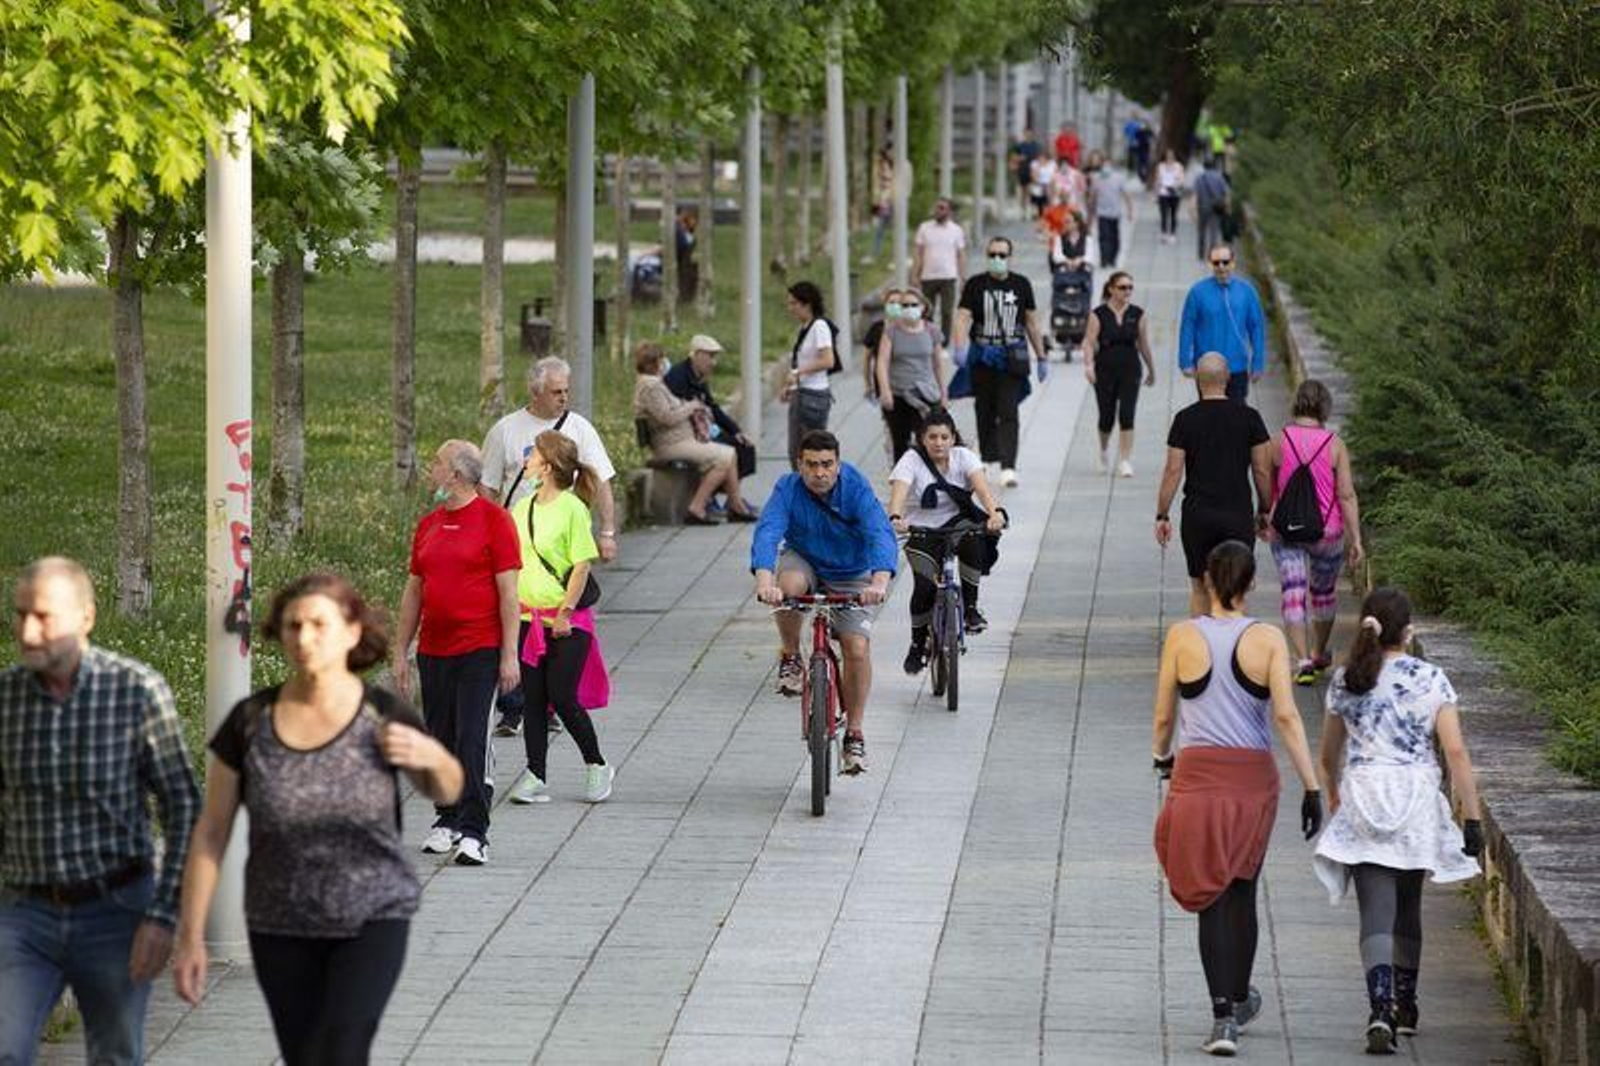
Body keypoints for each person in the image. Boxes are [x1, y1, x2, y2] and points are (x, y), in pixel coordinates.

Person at [173, 573, 463, 1066]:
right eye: (293, 626)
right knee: (304, 1056)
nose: (304, 638)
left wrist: (432, 757)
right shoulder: (251, 722)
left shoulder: (382, 714)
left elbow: (448, 790)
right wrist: (190, 935)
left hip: (371, 915)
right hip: (279, 921)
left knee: (343, 1050)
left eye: (319, 625)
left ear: (352, 633)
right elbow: (211, 833)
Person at [0, 557, 200, 1066]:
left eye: (43, 616)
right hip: (25, 913)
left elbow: (184, 807)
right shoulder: (7, 700)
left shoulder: (136, 691)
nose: (27, 630)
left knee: (114, 1055)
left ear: (85, 618)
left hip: (116, 910)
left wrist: (163, 916)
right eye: (19, 615)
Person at [1151, 541, 1323, 1057]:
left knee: (1209, 895)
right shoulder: (1268, 640)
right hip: (1253, 780)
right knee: (1242, 889)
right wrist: (1312, 786)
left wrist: (1163, 757)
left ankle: (1222, 1014)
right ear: (1251, 585)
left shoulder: (1182, 637)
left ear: (1206, 580)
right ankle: (1241, 998)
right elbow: (1287, 718)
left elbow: (1164, 718)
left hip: (1198, 777)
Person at [1312, 587, 1483, 1054]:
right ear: (1408, 632)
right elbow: (1455, 752)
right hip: (1415, 800)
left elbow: (1328, 755)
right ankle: (1405, 1006)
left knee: (1376, 913)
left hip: (1365, 798)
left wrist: (1332, 795)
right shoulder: (1431, 680)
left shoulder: (1347, 680)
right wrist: (1471, 818)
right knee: (1409, 907)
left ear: (1367, 625)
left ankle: (1379, 1007)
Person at [394, 440, 521, 866]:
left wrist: (509, 655)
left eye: (437, 463)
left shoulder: (494, 521)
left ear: (457, 475)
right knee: (440, 738)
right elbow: (415, 589)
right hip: (435, 649)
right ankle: (445, 818)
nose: (432, 470)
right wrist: (401, 649)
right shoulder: (428, 524)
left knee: (472, 740)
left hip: (480, 649)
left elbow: (508, 593)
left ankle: (474, 830)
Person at [482, 356, 619, 738]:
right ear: (536, 391)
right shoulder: (505, 431)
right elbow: (490, 488)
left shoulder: (578, 428)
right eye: (556, 392)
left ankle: (550, 701)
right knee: (513, 619)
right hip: (515, 542)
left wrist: (607, 532)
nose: (563, 398)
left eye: (566, 391)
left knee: (555, 620)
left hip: (558, 546)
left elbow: (601, 480)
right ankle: (513, 707)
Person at [752, 430, 897, 774]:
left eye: (827, 464)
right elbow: (768, 530)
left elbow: (880, 533)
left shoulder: (856, 489)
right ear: (799, 464)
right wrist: (764, 582)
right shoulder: (787, 489)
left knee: (857, 648)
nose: (820, 473)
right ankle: (791, 657)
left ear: (838, 463)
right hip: (805, 561)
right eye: (812, 465)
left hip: (852, 573)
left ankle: (855, 734)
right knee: (789, 587)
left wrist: (878, 581)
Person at [505, 431, 615, 806]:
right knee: (532, 700)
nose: (526, 459)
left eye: (531, 453)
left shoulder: (572, 509)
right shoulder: (522, 509)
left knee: (563, 697)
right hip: (528, 619)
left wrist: (566, 611)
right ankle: (535, 774)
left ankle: (597, 764)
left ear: (547, 466)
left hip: (568, 621)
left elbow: (582, 565)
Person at [887, 408, 1007, 673]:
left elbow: (983, 490)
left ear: (953, 438)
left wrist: (994, 513)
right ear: (922, 438)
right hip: (921, 528)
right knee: (924, 586)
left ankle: (971, 609)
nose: (938, 443)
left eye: (944, 437)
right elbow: (898, 494)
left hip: (956, 523)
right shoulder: (911, 460)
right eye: (932, 437)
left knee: (973, 537)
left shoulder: (964, 457)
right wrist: (896, 516)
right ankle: (917, 645)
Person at [1156, 353, 1273, 618]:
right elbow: (1262, 470)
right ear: (1228, 379)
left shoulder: (1184, 419)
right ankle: (1235, 651)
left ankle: (1201, 651)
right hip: (1237, 514)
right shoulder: (1250, 418)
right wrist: (1266, 508)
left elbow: (1173, 471)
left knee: (1199, 587)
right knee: (1237, 588)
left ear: (1197, 379)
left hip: (1198, 516)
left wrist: (1162, 514)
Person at [1266, 379, 1364, 684]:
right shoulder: (1335, 444)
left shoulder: (1278, 441)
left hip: (1286, 531)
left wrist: (1263, 516)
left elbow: (1269, 486)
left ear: (1296, 404)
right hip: (1327, 533)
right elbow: (1346, 495)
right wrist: (1356, 538)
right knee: (1323, 595)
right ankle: (1319, 651)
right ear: (1324, 408)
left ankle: (1303, 660)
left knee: (1293, 593)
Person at [952, 235, 1049, 488]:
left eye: (1002, 255)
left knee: (1008, 410)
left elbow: (1031, 321)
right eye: (992, 255)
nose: (997, 259)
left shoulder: (1021, 284)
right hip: (983, 355)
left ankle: (1008, 465)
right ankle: (986, 456)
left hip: (1010, 358)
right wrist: (960, 346)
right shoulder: (975, 284)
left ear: (1010, 257)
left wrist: (1041, 355)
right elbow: (963, 317)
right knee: (984, 408)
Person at [633, 341, 757, 526]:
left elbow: (673, 405)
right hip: (670, 445)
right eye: (661, 359)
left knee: (730, 454)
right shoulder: (650, 386)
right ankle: (697, 508)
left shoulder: (654, 383)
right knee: (724, 457)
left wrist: (692, 406)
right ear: (654, 362)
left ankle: (735, 505)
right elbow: (666, 417)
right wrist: (691, 406)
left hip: (681, 440)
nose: (665, 362)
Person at [664, 333, 759, 499]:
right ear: (697, 354)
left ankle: (732, 499)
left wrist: (736, 431)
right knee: (728, 450)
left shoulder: (699, 377)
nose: (713, 363)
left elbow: (713, 408)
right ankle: (719, 499)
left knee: (745, 447)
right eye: (711, 356)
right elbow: (675, 414)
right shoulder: (677, 377)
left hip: (703, 430)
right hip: (686, 435)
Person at [1080, 271, 1157, 477]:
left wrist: (1151, 368)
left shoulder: (1137, 314)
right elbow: (1088, 342)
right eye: (1123, 287)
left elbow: (1143, 343)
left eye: (1130, 287)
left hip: (1130, 368)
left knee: (1127, 414)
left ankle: (1124, 460)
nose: (1127, 291)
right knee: (1106, 416)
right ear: (1111, 289)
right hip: (1104, 368)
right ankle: (1104, 450)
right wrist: (1088, 366)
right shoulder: (1098, 314)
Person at [1178, 244, 1268, 402]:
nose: (1221, 266)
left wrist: (1258, 362)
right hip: (1208, 368)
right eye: (1216, 262)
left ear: (1233, 262)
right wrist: (1185, 360)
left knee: (1237, 414)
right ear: (1210, 264)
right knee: (1209, 416)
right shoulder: (1198, 292)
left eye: (1225, 262)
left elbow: (1256, 327)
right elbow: (1188, 326)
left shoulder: (1247, 291)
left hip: (1237, 366)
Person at [874, 287, 947, 460]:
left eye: (913, 304)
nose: (909, 308)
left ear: (923, 307)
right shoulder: (891, 332)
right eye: (904, 305)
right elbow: (882, 363)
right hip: (899, 394)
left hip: (926, 394)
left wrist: (944, 392)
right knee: (900, 442)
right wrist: (885, 391)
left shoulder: (932, 331)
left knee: (928, 439)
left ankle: (929, 478)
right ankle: (902, 481)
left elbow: (938, 364)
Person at [782, 281, 839, 469]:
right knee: (797, 452)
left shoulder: (819, 327)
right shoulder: (805, 328)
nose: (790, 309)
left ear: (807, 304)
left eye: (793, 303)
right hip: (802, 392)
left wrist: (799, 373)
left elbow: (827, 360)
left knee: (810, 453)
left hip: (813, 397)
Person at [911, 197, 968, 341]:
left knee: (947, 311)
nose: (938, 211)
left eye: (942, 208)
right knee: (927, 310)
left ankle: (944, 340)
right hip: (928, 276)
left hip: (948, 277)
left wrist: (963, 277)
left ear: (949, 211)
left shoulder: (956, 230)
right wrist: (914, 275)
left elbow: (961, 255)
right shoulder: (924, 228)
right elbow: (918, 253)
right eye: (936, 207)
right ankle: (927, 338)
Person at [1087, 154, 1135, 270]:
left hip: (1115, 213)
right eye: (1104, 165)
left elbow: (1126, 195)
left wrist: (1130, 211)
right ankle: (1104, 259)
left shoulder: (1118, 178)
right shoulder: (1097, 178)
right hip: (1102, 212)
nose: (1106, 167)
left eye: (1108, 164)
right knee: (1103, 237)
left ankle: (1112, 259)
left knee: (1114, 238)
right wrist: (1091, 213)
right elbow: (1093, 197)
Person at [1193, 157, 1232, 263]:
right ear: (1214, 166)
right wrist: (1228, 207)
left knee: (1201, 231)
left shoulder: (1199, 178)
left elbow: (1195, 196)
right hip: (1216, 208)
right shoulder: (1220, 178)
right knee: (1214, 232)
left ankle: (1201, 254)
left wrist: (1193, 210)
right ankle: (1211, 254)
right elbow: (1227, 193)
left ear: (1204, 166)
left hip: (1203, 208)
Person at [1010, 126, 1042, 216]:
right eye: (1026, 133)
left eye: (1030, 133)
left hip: (1033, 170)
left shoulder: (1036, 146)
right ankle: (1023, 210)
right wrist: (1020, 158)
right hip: (1023, 169)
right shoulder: (1020, 146)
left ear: (1032, 134)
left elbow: (1040, 158)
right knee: (1023, 191)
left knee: (1032, 190)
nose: (1028, 134)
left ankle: (1032, 209)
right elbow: (1014, 157)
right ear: (1024, 134)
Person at [870, 145, 895, 260]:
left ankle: (895, 253)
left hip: (890, 201)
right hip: (884, 202)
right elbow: (878, 187)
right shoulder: (880, 167)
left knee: (893, 228)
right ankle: (876, 253)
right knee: (879, 229)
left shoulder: (890, 167)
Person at [1156, 149, 1185, 244]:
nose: (1169, 158)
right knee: (1163, 214)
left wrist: (1176, 185)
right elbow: (1158, 180)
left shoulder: (1178, 166)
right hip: (1163, 193)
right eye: (1168, 156)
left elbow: (1181, 179)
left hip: (1174, 193)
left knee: (1173, 214)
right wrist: (1156, 192)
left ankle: (1172, 234)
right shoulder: (1161, 166)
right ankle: (1164, 233)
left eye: (1171, 156)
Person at [1028, 151, 1057, 217]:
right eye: (1040, 157)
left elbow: (1054, 175)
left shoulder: (1052, 164)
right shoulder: (1035, 164)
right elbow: (1033, 175)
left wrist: (1051, 183)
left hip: (1049, 184)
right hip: (1039, 183)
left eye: (1043, 157)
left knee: (1049, 191)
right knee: (1038, 191)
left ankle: (1049, 211)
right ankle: (1039, 211)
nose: (1041, 159)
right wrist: (1040, 166)